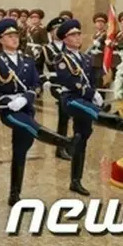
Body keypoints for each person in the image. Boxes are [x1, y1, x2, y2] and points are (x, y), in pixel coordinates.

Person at [0, 19, 79, 206]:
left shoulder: (28, 61)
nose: (14, 39)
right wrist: (5, 100)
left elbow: (36, 85)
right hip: (9, 111)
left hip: (26, 106)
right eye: (9, 36)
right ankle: (64, 141)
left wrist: (25, 98)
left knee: (20, 150)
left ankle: (14, 193)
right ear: (1, 40)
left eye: (16, 35)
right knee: (27, 125)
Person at [54, 19, 123, 196]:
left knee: (81, 138)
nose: (78, 37)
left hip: (86, 99)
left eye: (78, 34)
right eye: (73, 35)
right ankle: (122, 124)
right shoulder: (61, 58)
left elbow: (92, 80)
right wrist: (91, 94)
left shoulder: (86, 58)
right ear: (65, 39)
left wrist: (96, 93)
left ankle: (75, 181)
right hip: (71, 99)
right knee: (91, 111)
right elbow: (70, 82)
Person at [39, 16, 71, 160]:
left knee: (72, 114)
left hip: (71, 83)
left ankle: (68, 144)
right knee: (64, 115)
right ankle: (61, 147)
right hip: (56, 84)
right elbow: (37, 68)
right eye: (56, 30)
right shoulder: (46, 49)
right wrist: (44, 80)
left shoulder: (69, 47)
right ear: (51, 33)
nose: (59, 32)